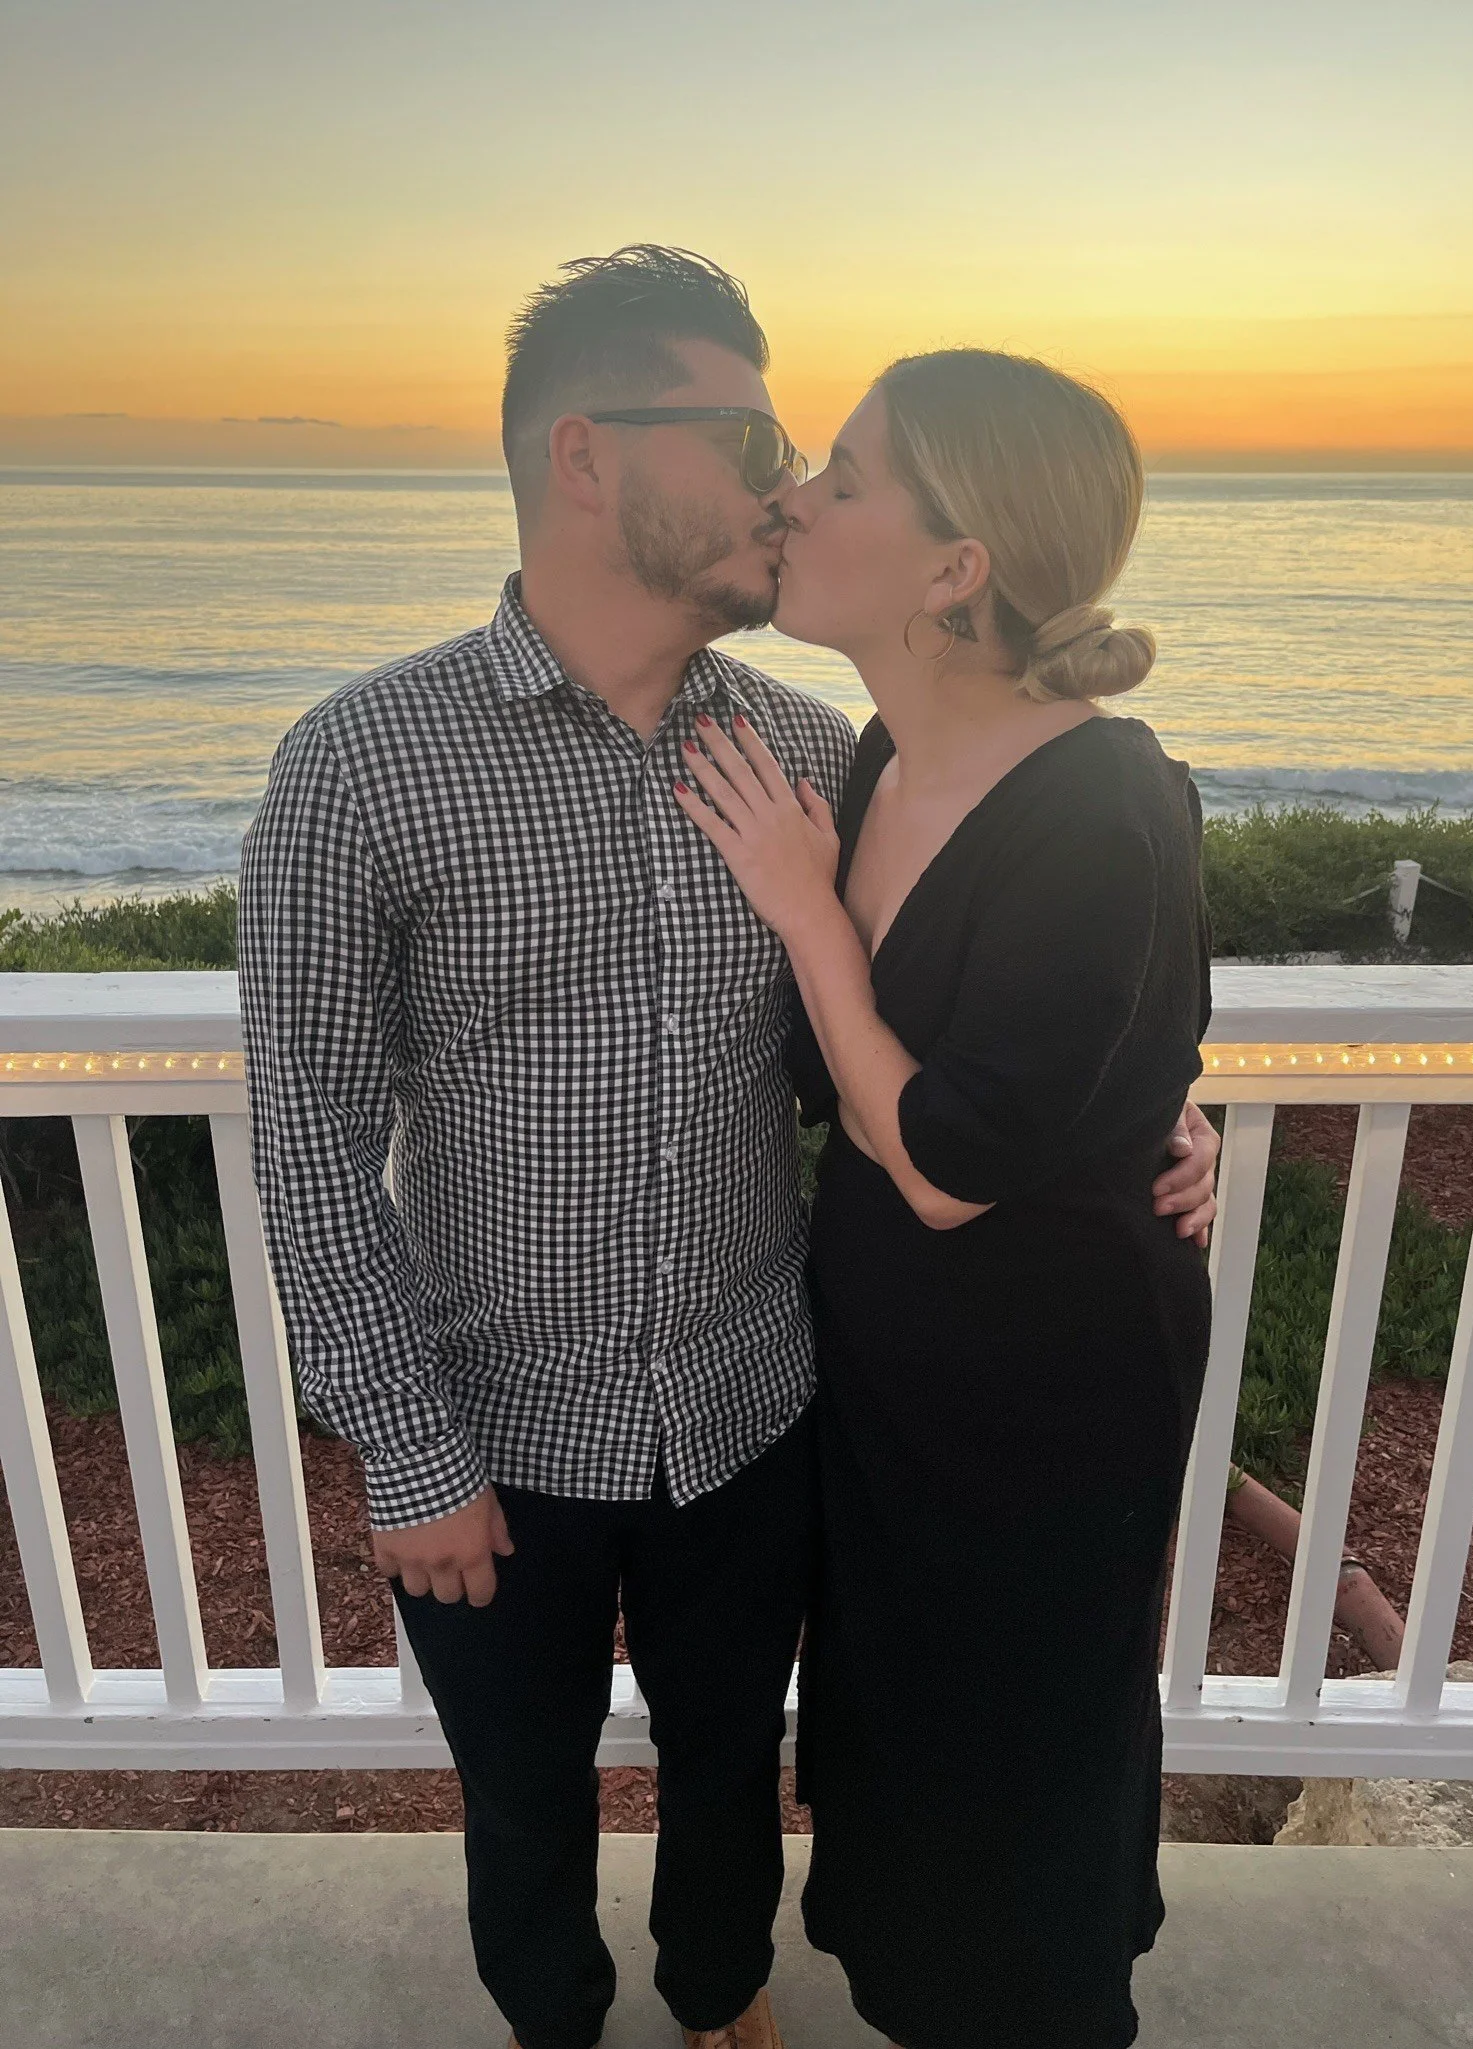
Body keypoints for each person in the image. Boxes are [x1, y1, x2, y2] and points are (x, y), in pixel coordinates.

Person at [238, 247, 1218, 2049]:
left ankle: (719, 1995)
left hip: (759, 1411)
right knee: (523, 1795)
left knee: (730, 1771)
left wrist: (1143, 1108)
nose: (784, 486)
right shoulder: (362, 766)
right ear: (587, 455)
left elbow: (955, 1007)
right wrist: (410, 1450)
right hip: (503, 1428)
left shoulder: (813, 749)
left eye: (809, 453)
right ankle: (554, 2014)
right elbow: (308, 1145)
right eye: (754, 440)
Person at [673, 349, 1212, 2049]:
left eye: (842, 477)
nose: (791, 500)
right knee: (903, 1729)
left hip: (1042, 1388)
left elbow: (950, 1165)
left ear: (955, 569)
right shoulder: (877, 767)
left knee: (1018, 1750)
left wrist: (804, 914)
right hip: (890, 1370)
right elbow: (985, 1044)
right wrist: (1155, 1100)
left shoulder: (1105, 799)